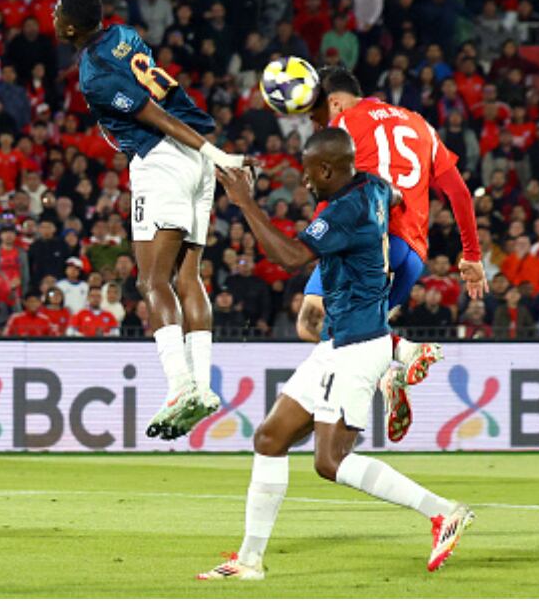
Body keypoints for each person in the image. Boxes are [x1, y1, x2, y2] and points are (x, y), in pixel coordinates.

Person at [201, 128, 472, 580]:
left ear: (327, 169)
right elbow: (402, 201)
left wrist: (246, 203)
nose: (305, 183)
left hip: (356, 348)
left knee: (330, 462)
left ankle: (444, 512)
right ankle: (248, 561)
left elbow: (289, 257)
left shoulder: (345, 210)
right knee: (270, 438)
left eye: (309, 174)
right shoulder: (375, 186)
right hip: (338, 341)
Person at [54, 0, 246, 440]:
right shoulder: (123, 34)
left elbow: (152, 114)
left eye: (57, 11)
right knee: (188, 276)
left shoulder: (92, 72)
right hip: (194, 159)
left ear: (69, 27)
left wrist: (217, 153)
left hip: (164, 158)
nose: (53, 15)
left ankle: (180, 386)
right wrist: (206, 154)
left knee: (149, 280)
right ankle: (201, 385)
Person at [300, 66, 487, 443]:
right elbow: (460, 193)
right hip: (413, 252)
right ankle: (388, 370)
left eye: (317, 115)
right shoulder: (420, 125)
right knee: (356, 340)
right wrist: (471, 256)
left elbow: (339, 192)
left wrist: (321, 236)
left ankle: (400, 356)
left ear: (334, 101)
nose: (318, 124)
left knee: (310, 321)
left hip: (366, 240)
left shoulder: (345, 124)